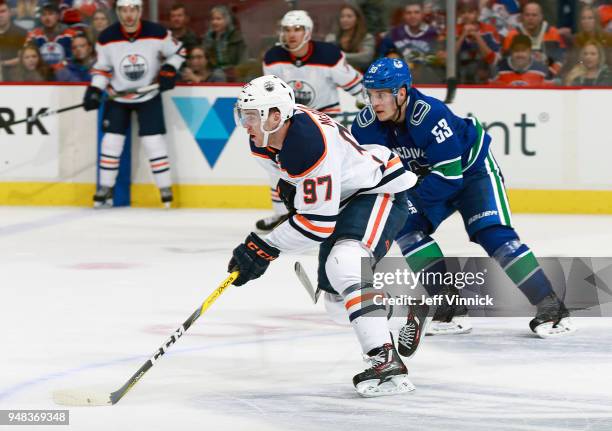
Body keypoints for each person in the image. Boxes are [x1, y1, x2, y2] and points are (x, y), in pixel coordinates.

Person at [229, 74, 425, 397]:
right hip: (343, 197)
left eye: (251, 116)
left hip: (376, 189)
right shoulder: (265, 139)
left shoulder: (306, 141)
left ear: (275, 116)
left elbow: (319, 225)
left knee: (345, 261)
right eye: (244, 115)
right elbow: (293, 183)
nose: (245, 124)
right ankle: (407, 310)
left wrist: (264, 246)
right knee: (336, 302)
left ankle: (386, 362)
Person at [352, 58, 575, 338]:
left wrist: (408, 203)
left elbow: (449, 176)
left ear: (402, 92)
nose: (375, 102)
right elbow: (366, 175)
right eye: (370, 94)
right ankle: (450, 306)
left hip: (472, 173)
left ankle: (551, 305)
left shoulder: (429, 114)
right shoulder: (365, 126)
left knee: (494, 236)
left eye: (382, 94)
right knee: (407, 230)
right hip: (430, 178)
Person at [258, 9, 367, 232]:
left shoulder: (328, 55)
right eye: (287, 30)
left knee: (329, 171)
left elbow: (354, 83)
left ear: (307, 32)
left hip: (324, 122)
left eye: (297, 29)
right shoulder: (273, 57)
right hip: (290, 123)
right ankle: (281, 214)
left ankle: (334, 214)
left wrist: (369, 101)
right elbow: (271, 93)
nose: (291, 34)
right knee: (277, 166)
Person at [83, 0, 185, 208]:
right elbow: (102, 69)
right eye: (124, 10)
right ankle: (105, 188)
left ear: (139, 10)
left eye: (133, 10)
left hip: (149, 93)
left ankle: (165, 189)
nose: (128, 15)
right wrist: (94, 89)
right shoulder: (106, 37)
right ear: (118, 12)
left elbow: (179, 52)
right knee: (111, 141)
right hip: (117, 96)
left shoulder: (158, 32)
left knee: (153, 142)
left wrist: (169, 69)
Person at [377, 1, 446, 84]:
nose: (412, 16)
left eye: (416, 12)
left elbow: (441, 60)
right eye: (408, 13)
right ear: (403, 15)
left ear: (422, 14)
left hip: (429, 81)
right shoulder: (393, 34)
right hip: (400, 83)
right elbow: (381, 61)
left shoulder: (434, 34)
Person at [503, 2, 567, 77]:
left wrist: (547, 62)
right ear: (522, 17)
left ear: (541, 17)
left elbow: (561, 59)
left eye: (534, 15)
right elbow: (506, 62)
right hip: (519, 79)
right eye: (527, 15)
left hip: (548, 79)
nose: (530, 18)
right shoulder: (512, 36)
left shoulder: (553, 33)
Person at [455, 0, 501, 84]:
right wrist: (463, 35)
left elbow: (493, 60)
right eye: (463, 12)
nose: (466, 15)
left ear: (478, 14)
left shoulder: (489, 30)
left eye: (470, 12)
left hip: (487, 79)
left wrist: (477, 36)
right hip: (459, 80)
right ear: (459, 14)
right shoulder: (454, 30)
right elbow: (447, 58)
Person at [26, 2, 79, 68]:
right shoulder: (33, 35)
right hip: (41, 72)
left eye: (50, 14)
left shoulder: (71, 34)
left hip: (65, 72)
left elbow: (77, 57)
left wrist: (62, 66)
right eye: (44, 15)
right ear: (40, 18)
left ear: (58, 16)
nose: (47, 18)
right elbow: (26, 56)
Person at [324, 4, 375, 72]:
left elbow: (366, 58)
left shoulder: (366, 38)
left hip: (359, 75)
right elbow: (326, 56)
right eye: (342, 16)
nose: (345, 20)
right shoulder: (331, 37)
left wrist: (339, 55)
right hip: (335, 73)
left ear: (357, 19)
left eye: (349, 16)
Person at [202, 5, 246, 79]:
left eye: (218, 19)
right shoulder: (208, 38)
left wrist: (234, 72)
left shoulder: (237, 37)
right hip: (213, 74)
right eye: (213, 19)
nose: (214, 22)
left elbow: (243, 60)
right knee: (217, 74)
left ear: (226, 20)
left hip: (234, 74)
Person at [0, 0, 27, 81]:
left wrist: (2, 64)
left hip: (15, 72)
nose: (0, 15)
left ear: (10, 13)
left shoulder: (22, 33)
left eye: (3, 11)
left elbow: (25, 58)